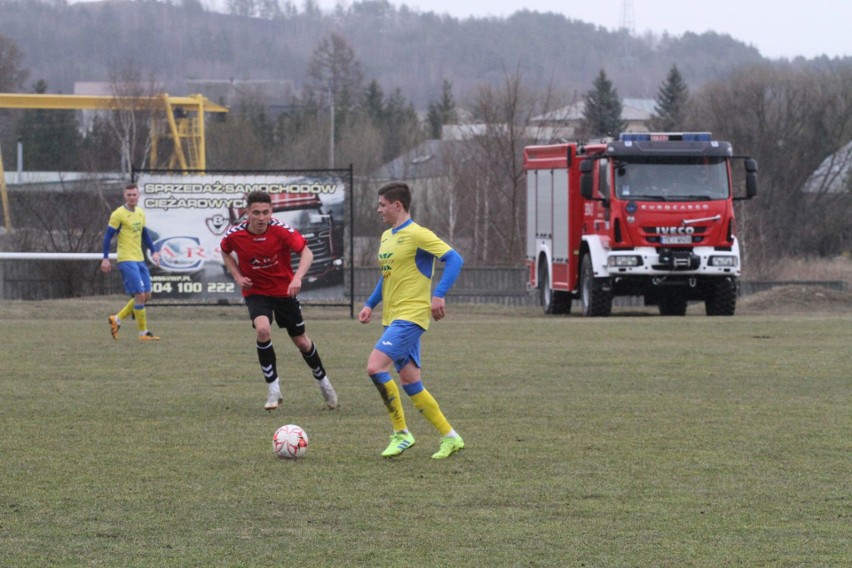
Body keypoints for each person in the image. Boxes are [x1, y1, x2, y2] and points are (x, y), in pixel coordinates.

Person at [358, 181, 465, 460]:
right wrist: (371, 304)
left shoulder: (419, 234)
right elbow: (388, 276)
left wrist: (439, 295)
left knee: (375, 367)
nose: (378, 209)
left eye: (382, 204)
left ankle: (401, 433)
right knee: (410, 382)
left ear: (397, 205)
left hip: (411, 315)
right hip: (393, 317)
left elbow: (455, 259)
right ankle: (451, 437)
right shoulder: (386, 237)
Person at [220, 190, 338, 411]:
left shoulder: (281, 231)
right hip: (256, 293)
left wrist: (297, 277)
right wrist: (237, 276)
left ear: (271, 212)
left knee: (301, 341)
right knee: (263, 330)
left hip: (284, 292)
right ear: (247, 213)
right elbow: (225, 251)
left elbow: (307, 253)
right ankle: (274, 390)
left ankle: (323, 381)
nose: (262, 217)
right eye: (256, 213)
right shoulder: (234, 235)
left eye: (266, 212)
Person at [101, 183, 161, 341]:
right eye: (129, 195)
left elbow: (145, 235)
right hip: (126, 259)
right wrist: (105, 258)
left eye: (134, 194)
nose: (132, 197)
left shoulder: (140, 213)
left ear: (138, 195)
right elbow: (108, 237)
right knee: (139, 294)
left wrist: (154, 251)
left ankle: (117, 319)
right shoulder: (118, 214)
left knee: (146, 295)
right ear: (124, 195)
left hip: (139, 258)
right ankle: (143, 333)